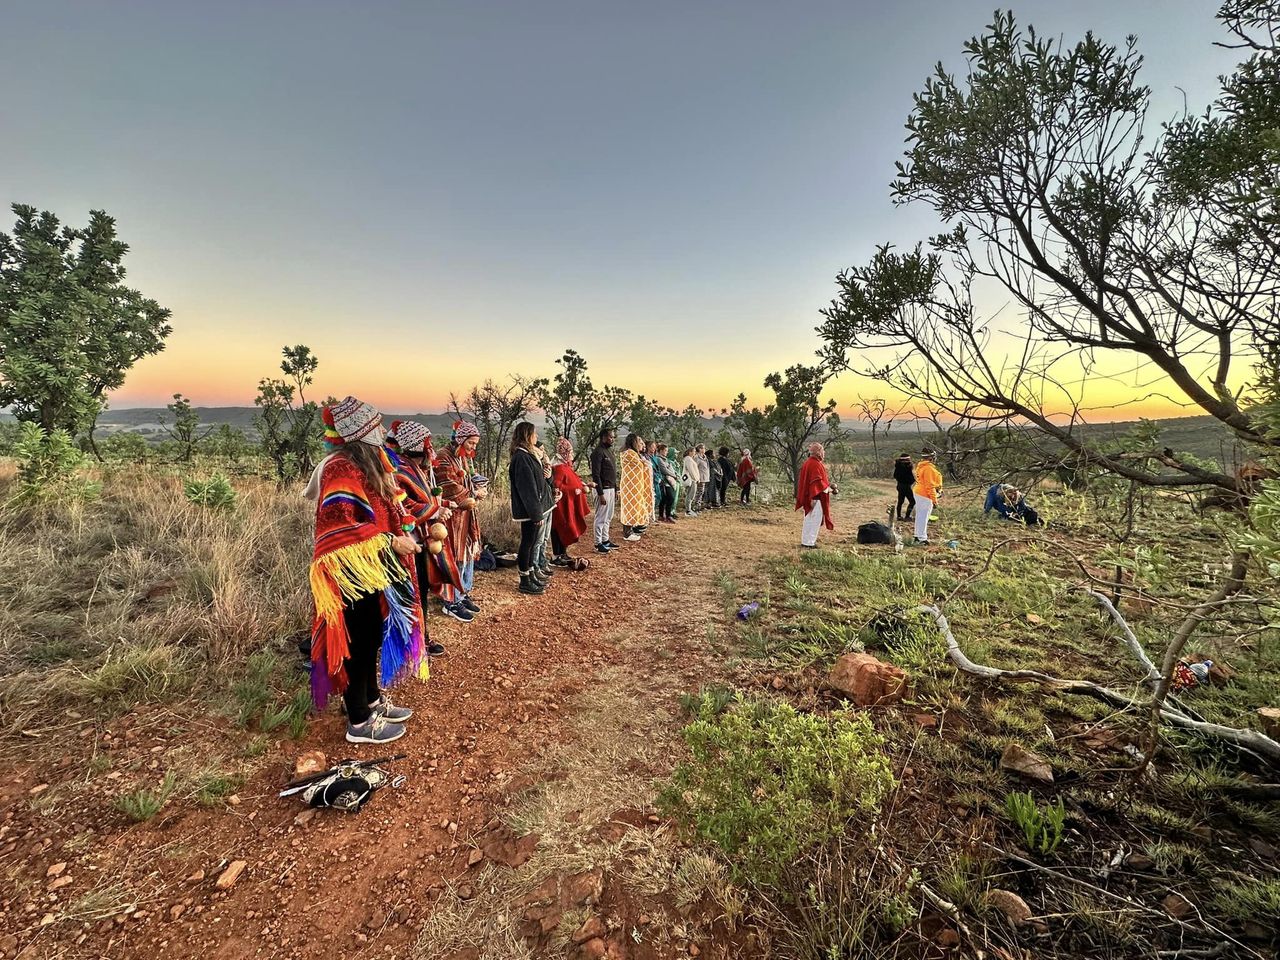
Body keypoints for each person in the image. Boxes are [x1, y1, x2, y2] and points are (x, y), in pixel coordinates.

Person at [307, 396, 421, 745]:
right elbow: (341, 523)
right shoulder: (341, 468)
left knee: (371, 632)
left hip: (372, 564)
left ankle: (370, 700)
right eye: (377, 425)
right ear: (363, 431)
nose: (383, 431)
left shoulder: (368, 464)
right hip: (351, 566)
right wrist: (390, 541)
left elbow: (385, 509)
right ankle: (358, 720)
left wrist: (400, 533)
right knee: (358, 636)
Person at [387, 419, 456, 650]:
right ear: (422, 446)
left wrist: (444, 504)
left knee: (420, 590)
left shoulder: (417, 469)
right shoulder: (400, 471)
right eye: (429, 443)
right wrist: (436, 510)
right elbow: (404, 506)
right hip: (408, 542)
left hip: (421, 540)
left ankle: (420, 639)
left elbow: (425, 498)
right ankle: (413, 643)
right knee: (411, 592)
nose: (432, 449)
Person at [435, 420, 487, 620]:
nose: (473, 447)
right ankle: (451, 601)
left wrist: (477, 488)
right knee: (454, 555)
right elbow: (449, 487)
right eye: (471, 443)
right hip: (451, 516)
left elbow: (466, 481)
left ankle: (462, 592)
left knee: (466, 553)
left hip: (465, 514)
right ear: (461, 439)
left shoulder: (462, 458)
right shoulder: (444, 457)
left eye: (475, 444)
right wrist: (474, 492)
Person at [509, 422, 555, 595]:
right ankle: (524, 580)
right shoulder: (521, 457)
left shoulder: (528, 454)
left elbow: (538, 482)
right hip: (529, 511)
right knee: (527, 543)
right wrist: (536, 514)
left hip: (534, 508)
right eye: (534, 434)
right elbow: (527, 488)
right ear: (527, 435)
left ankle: (530, 575)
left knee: (531, 542)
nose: (537, 437)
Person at [551, 437, 592, 563]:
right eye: (570, 452)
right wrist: (577, 489)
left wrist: (582, 485)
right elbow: (557, 486)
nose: (572, 455)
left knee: (566, 527)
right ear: (565, 453)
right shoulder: (559, 467)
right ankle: (557, 555)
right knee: (560, 527)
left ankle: (562, 553)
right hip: (561, 506)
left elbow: (573, 480)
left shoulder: (565, 466)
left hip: (567, 504)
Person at [796, 441, 835, 548]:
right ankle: (809, 543)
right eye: (822, 451)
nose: (823, 453)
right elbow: (818, 484)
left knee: (808, 520)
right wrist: (830, 489)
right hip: (815, 498)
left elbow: (817, 482)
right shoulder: (815, 464)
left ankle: (805, 541)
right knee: (814, 521)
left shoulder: (808, 463)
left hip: (810, 496)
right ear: (818, 452)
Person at [590, 428, 619, 554]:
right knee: (601, 517)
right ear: (603, 437)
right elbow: (596, 475)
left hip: (611, 489)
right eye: (610, 437)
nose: (612, 439)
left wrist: (616, 489)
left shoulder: (609, 452)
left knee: (608, 516)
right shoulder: (598, 453)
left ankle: (605, 539)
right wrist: (600, 493)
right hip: (603, 490)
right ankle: (598, 543)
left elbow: (613, 473)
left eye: (613, 437)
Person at [618, 433, 650, 541]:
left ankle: (633, 528)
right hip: (630, 485)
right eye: (639, 442)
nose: (641, 444)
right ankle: (627, 532)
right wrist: (644, 463)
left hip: (635, 485)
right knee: (629, 507)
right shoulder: (629, 453)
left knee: (635, 506)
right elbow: (641, 465)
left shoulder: (633, 453)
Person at [911, 449, 944, 545]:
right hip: (924, 494)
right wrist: (934, 500)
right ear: (931, 458)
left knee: (920, 515)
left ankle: (918, 536)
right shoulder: (928, 468)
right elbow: (929, 486)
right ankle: (921, 538)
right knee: (924, 516)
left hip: (919, 492)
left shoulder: (922, 466)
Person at [653, 442, 679, 522]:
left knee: (665, 499)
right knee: (669, 498)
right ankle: (667, 515)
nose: (666, 452)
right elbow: (664, 470)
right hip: (664, 481)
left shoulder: (665, 459)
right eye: (665, 450)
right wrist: (674, 475)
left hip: (668, 481)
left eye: (667, 451)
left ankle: (663, 515)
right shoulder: (659, 459)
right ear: (660, 451)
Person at [893, 453, 916, 522]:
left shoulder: (898, 466)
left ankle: (899, 516)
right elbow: (911, 478)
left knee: (900, 501)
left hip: (899, 485)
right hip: (906, 486)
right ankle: (907, 516)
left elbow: (895, 476)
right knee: (912, 502)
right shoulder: (907, 467)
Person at [682, 447, 701, 516]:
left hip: (693, 479)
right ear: (690, 452)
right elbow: (691, 470)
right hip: (691, 480)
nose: (694, 453)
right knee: (690, 495)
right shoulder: (688, 459)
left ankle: (689, 509)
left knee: (691, 495)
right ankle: (688, 510)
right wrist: (695, 478)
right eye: (693, 451)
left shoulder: (690, 459)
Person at [704, 444, 722, 510]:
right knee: (709, 490)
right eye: (713, 453)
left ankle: (713, 502)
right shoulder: (708, 461)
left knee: (712, 490)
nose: (714, 455)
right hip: (710, 478)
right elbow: (712, 469)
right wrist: (719, 474)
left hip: (713, 478)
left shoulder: (711, 460)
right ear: (710, 454)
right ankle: (708, 503)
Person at [696, 444, 711, 511]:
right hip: (700, 477)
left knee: (702, 492)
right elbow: (695, 468)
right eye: (702, 448)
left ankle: (700, 505)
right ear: (699, 449)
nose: (703, 450)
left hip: (705, 477)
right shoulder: (697, 457)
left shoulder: (705, 457)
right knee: (699, 492)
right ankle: (697, 506)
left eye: (704, 448)